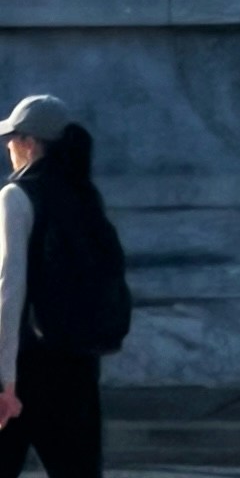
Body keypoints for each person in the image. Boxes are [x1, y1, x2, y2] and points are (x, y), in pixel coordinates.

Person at [0, 97, 127, 478]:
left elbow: (9, 288)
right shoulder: (84, 196)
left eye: (11, 138)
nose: (7, 147)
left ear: (30, 143)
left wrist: (5, 380)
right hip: (76, 364)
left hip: (24, 367)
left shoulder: (17, 196)